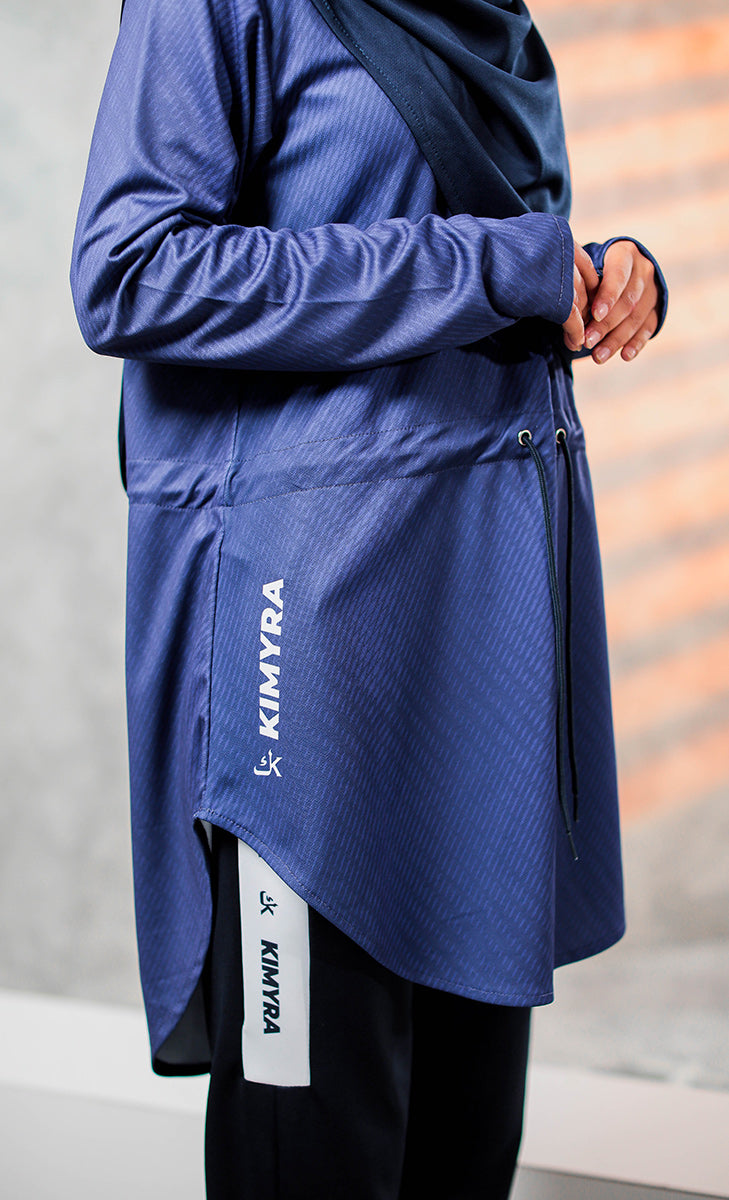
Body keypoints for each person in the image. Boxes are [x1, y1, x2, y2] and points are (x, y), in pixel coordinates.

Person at [71, 0, 667, 1196]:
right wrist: (489, 265)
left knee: (464, 1151)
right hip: (319, 653)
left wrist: (600, 277)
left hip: (487, 629)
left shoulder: (487, 16)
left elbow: (463, 251)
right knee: (317, 1151)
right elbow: (130, 272)